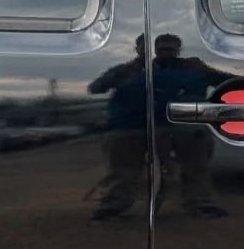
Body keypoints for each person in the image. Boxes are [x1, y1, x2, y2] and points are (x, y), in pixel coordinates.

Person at [87, 35, 232, 220]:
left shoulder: (193, 69)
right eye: (160, 48)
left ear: (178, 50)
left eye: (170, 48)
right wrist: (123, 73)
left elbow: (229, 83)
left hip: (187, 125)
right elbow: (96, 88)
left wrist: (206, 70)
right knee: (123, 169)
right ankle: (112, 206)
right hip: (130, 127)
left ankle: (201, 204)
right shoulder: (129, 70)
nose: (165, 52)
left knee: (196, 166)